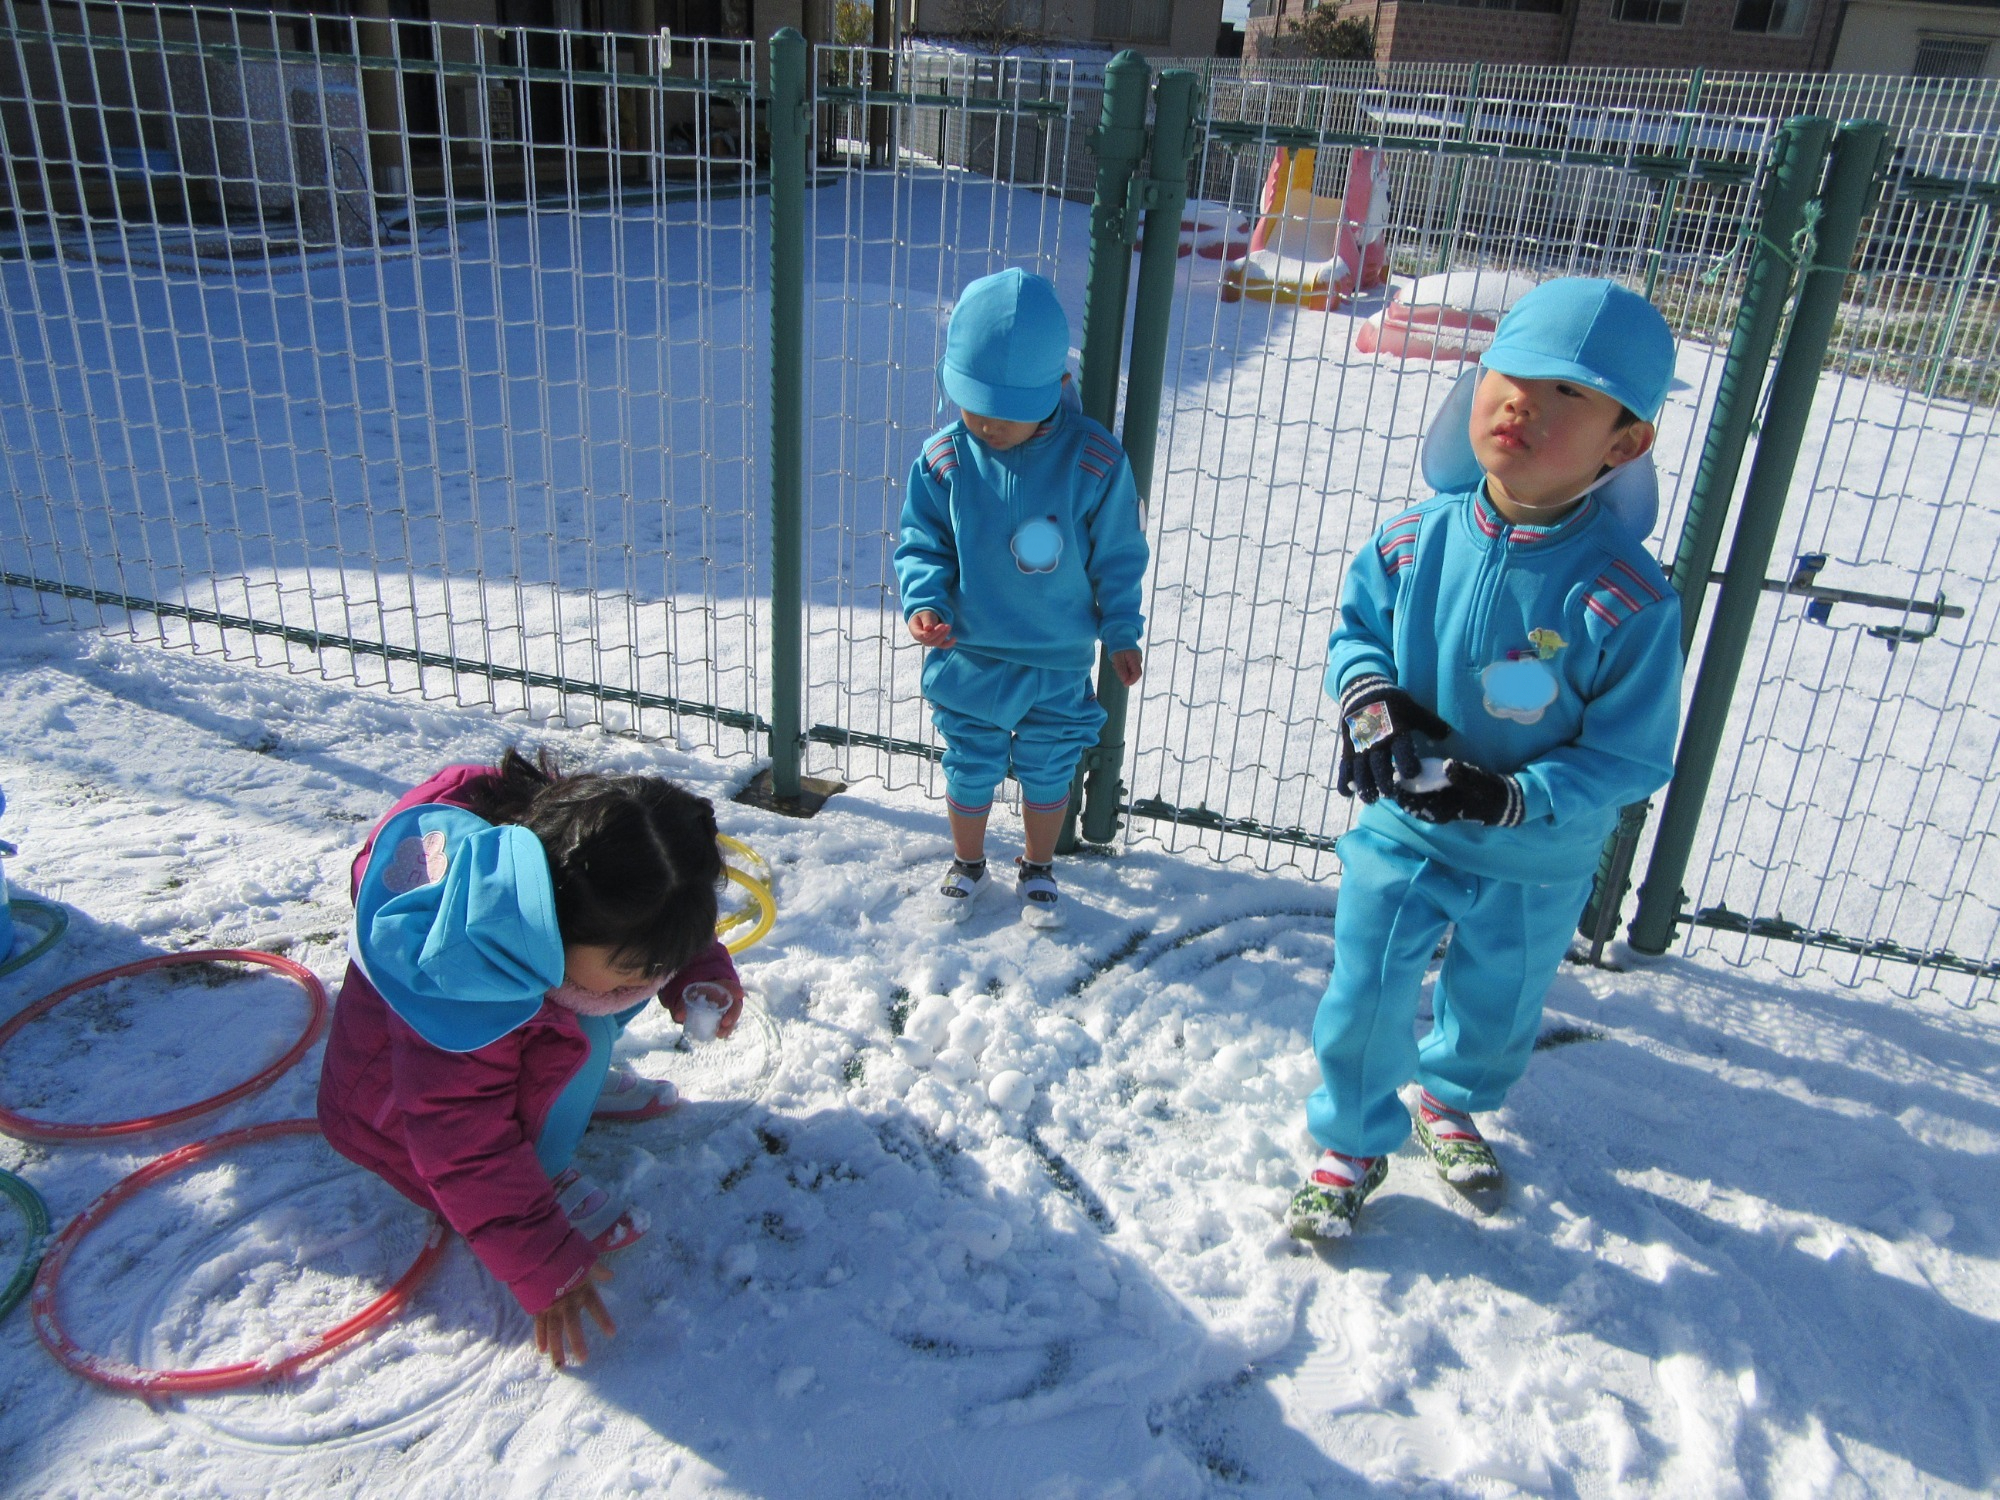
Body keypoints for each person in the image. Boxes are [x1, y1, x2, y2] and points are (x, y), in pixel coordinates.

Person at [1287, 278, 1686, 1240]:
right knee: (1366, 989)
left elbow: (1630, 756)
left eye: (1567, 394)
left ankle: (1451, 1097)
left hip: (1535, 856)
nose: (1521, 404)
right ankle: (1351, 1139)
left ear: (1625, 443)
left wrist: (1514, 798)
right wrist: (1371, 707)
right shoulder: (1411, 543)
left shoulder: (1627, 598)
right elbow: (1357, 637)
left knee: (1497, 1004)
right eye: (1508, 376)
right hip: (1407, 828)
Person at [317, 749, 743, 1365]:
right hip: (398, 1124)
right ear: (557, 924)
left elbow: (659, 909)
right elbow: (463, 1145)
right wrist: (542, 1256)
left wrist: (695, 968)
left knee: (592, 1008)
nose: (653, 979)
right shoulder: (469, 981)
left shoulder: (571, 854)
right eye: (637, 969)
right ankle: (544, 1159)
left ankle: (567, 1084)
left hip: (511, 1042)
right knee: (579, 1025)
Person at [894, 268, 1150, 928]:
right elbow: (922, 543)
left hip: (1057, 659)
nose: (987, 424)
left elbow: (1119, 553)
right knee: (969, 762)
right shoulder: (945, 460)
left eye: (1007, 412)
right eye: (973, 404)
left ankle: (1038, 866)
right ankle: (968, 863)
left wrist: (1121, 629)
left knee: (1049, 766)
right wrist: (926, 602)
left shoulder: (1094, 461)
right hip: (970, 653)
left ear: (1056, 386)